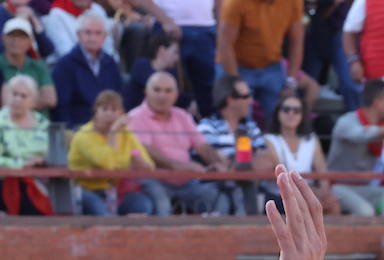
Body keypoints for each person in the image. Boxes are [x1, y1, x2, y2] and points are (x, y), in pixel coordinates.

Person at [127, 70, 223, 213]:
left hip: (186, 181)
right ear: (146, 92)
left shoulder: (183, 116)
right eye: (157, 90)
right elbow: (145, 151)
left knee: (218, 198)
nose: (162, 95)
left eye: (168, 91)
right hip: (152, 179)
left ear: (176, 95)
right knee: (161, 203)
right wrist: (180, 166)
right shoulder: (134, 117)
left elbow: (203, 146)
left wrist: (219, 163)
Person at [326, 78, 384, 214]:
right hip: (338, 186)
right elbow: (361, 135)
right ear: (377, 103)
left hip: (365, 186)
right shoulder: (346, 121)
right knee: (365, 212)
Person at [67, 88, 158, 215]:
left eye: (114, 110)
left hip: (115, 190)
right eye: (104, 109)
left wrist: (142, 165)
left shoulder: (126, 134)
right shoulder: (84, 135)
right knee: (102, 213)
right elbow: (107, 166)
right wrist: (113, 133)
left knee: (142, 205)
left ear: (121, 113)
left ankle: (130, 234)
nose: (109, 114)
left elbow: (149, 166)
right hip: (85, 189)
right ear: (96, 112)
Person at [216, 0, 304, 120]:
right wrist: (236, 82)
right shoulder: (235, 3)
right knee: (240, 123)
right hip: (237, 66)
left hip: (272, 65)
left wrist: (291, 81)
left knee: (279, 122)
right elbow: (225, 44)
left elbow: (297, 41)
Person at [198, 73, 271, 213]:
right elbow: (211, 159)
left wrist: (233, 168)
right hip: (216, 188)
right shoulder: (206, 126)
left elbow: (266, 160)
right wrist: (243, 165)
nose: (251, 101)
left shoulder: (251, 127)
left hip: (249, 186)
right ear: (230, 99)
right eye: (246, 96)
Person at [263, 93, 345, 214]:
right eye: (286, 110)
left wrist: (323, 192)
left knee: (332, 204)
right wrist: (314, 193)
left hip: (309, 193)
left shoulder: (311, 139)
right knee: (312, 204)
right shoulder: (269, 139)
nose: (291, 114)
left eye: (296, 111)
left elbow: (322, 172)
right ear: (278, 113)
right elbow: (283, 174)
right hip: (280, 194)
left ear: (303, 115)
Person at [49, 11, 121, 128]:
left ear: (104, 37)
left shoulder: (110, 63)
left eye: (98, 33)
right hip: (78, 129)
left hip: (110, 128)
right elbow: (61, 107)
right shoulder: (65, 65)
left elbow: (118, 99)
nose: (93, 38)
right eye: (88, 33)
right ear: (79, 35)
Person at [0, 73, 51, 214]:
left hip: (43, 181)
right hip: (7, 181)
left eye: (23, 96)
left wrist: (44, 161)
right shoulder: (1, 121)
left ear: (33, 101)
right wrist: (22, 164)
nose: (17, 99)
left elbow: (56, 155)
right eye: (14, 94)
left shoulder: (44, 124)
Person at [155, 0, 215, 117]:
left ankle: (206, 128)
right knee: (170, 84)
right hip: (171, 27)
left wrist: (221, 23)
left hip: (207, 27)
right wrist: (165, 20)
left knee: (207, 91)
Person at [124, 31, 188, 112]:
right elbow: (155, 83)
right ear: (162, 50)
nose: (177, 58)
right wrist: (189, 103)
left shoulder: (171, 73)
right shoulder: (141, 65)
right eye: (175, 52)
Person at [1, 18, 53, 111]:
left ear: (30, 41)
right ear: (3, 38)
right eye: (11, 35)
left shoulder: (39, 66)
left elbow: (50, 99)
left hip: (38, 123)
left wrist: (17, 104)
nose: (16, 40)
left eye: (22, 36)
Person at [43, 0, 116, 59]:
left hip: (99, 63)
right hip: (69, 68)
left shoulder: (97, 9)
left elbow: (107, 44)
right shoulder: (56, 14)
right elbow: (65, 52)